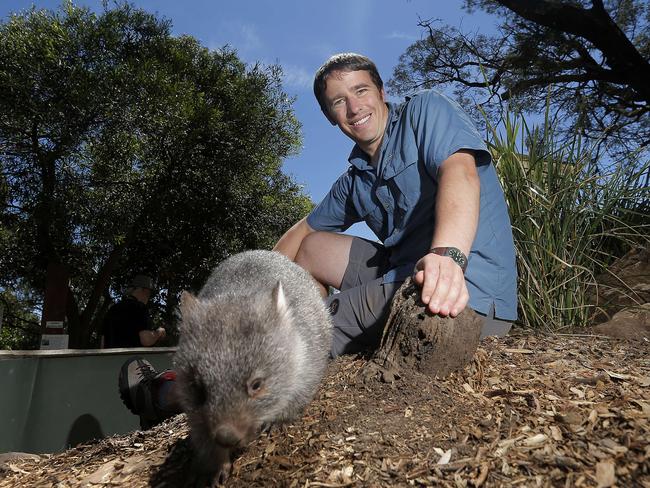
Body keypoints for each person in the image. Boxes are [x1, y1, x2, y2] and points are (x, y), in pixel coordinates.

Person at [118, 52, 517, 427]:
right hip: (404, 272)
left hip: (465, 287)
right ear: (331, 117)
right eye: (338, 102)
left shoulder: (425, 110)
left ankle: (171, 395)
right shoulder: (356, 178)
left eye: (361, 91)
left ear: (381, 92)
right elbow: (303, 233)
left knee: (304, 331)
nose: (354, 107)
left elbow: (461, 173)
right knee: (311, 248)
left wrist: (449, 255)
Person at [102, 275, 167, 348]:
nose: (148, 297)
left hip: (110, 358)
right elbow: (145, 340)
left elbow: (103, 342)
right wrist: (158, 332)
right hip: (131, 358)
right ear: (144, 290)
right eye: (149, 294)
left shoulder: (113, 309)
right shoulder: (140, 308)